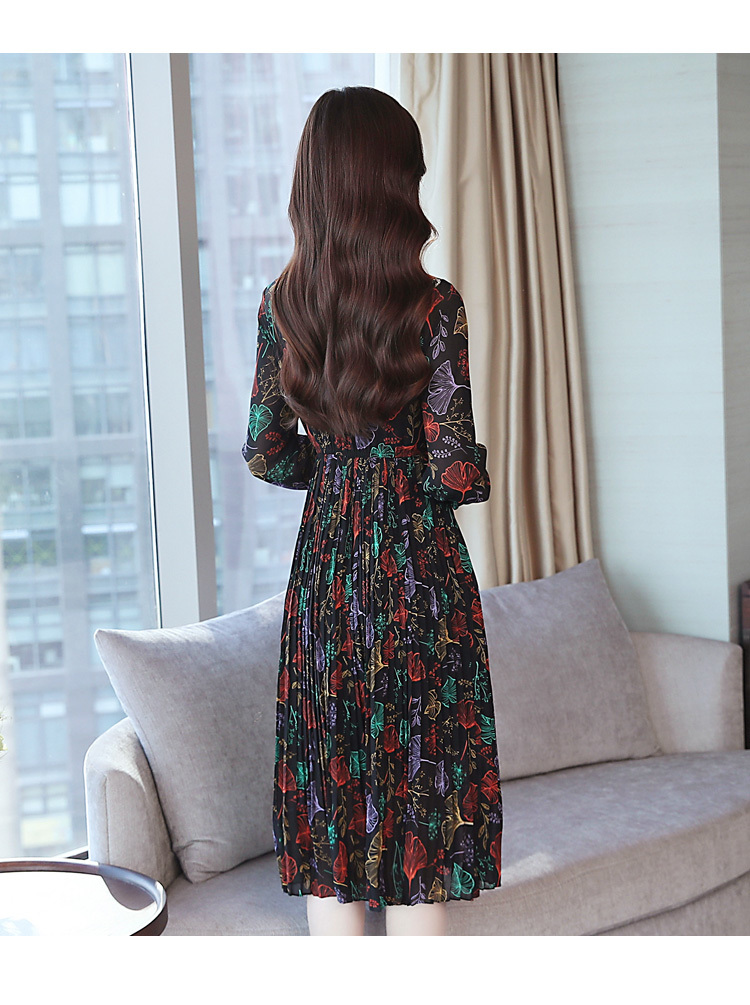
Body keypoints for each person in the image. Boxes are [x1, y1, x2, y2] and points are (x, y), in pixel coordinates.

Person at [242, 85, 502, 936]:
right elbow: (454, 468)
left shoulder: (282, 307)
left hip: (327, 580)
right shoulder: (434, 306)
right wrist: (422, 469)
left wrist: (339, 471)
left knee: (336, 824)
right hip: (418, 577)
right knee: (422, 819)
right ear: (392, 183)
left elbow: (265, 449)